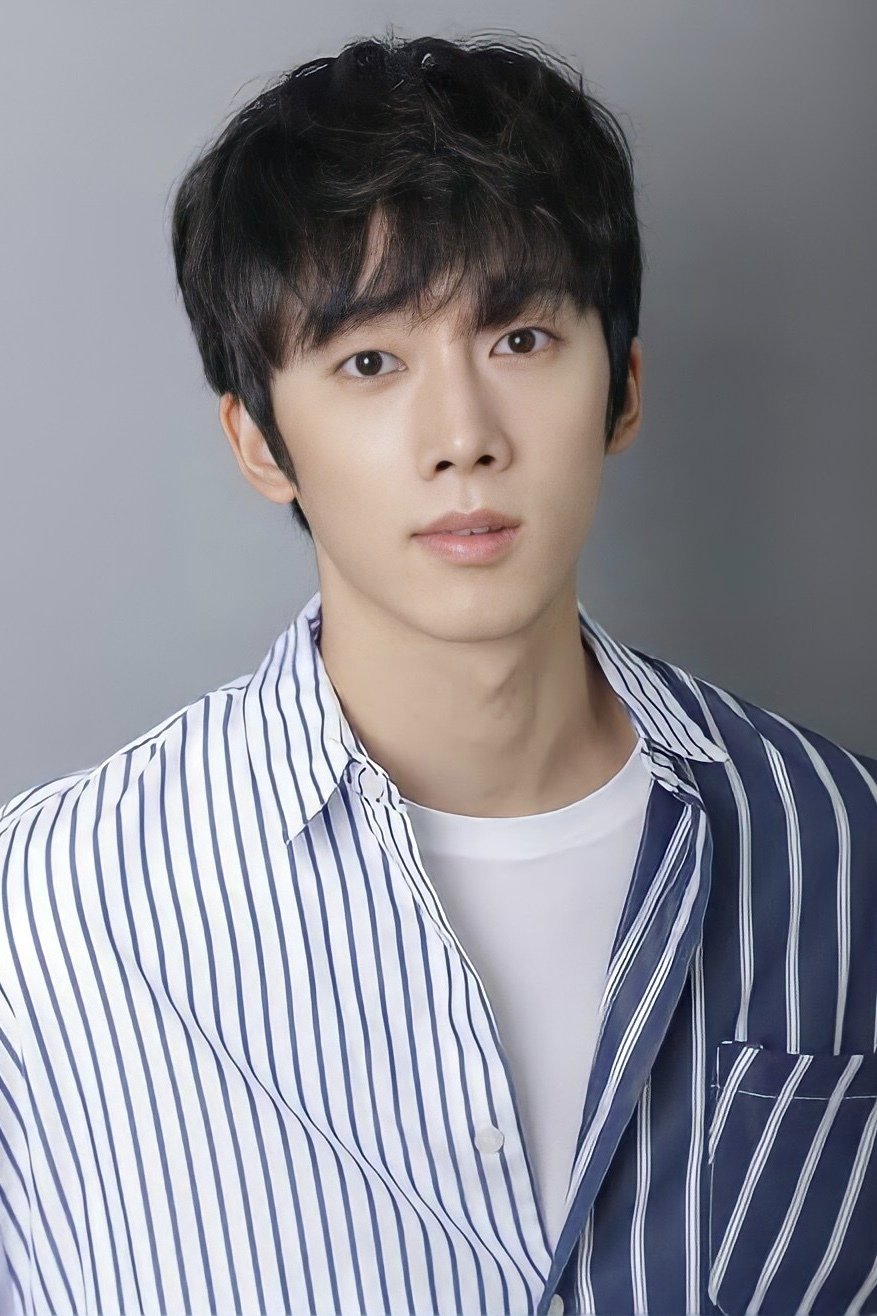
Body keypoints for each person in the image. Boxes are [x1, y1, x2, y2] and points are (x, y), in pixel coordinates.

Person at [1, 29, 876, 1316]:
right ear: (260, 442)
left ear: (622, 390)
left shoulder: (841, 841)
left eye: (520, 339)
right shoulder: (41, 917)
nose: (462, 436)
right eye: (370, 362)